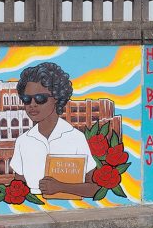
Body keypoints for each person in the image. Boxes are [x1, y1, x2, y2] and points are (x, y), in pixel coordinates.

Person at [10, 62, 100, 197]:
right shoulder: (23, 141)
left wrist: (61, 187)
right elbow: (19, 188)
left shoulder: (76, 138)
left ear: (57, 98)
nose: (32, 105)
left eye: (40, 98)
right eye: (26, 99)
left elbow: (94, 188)